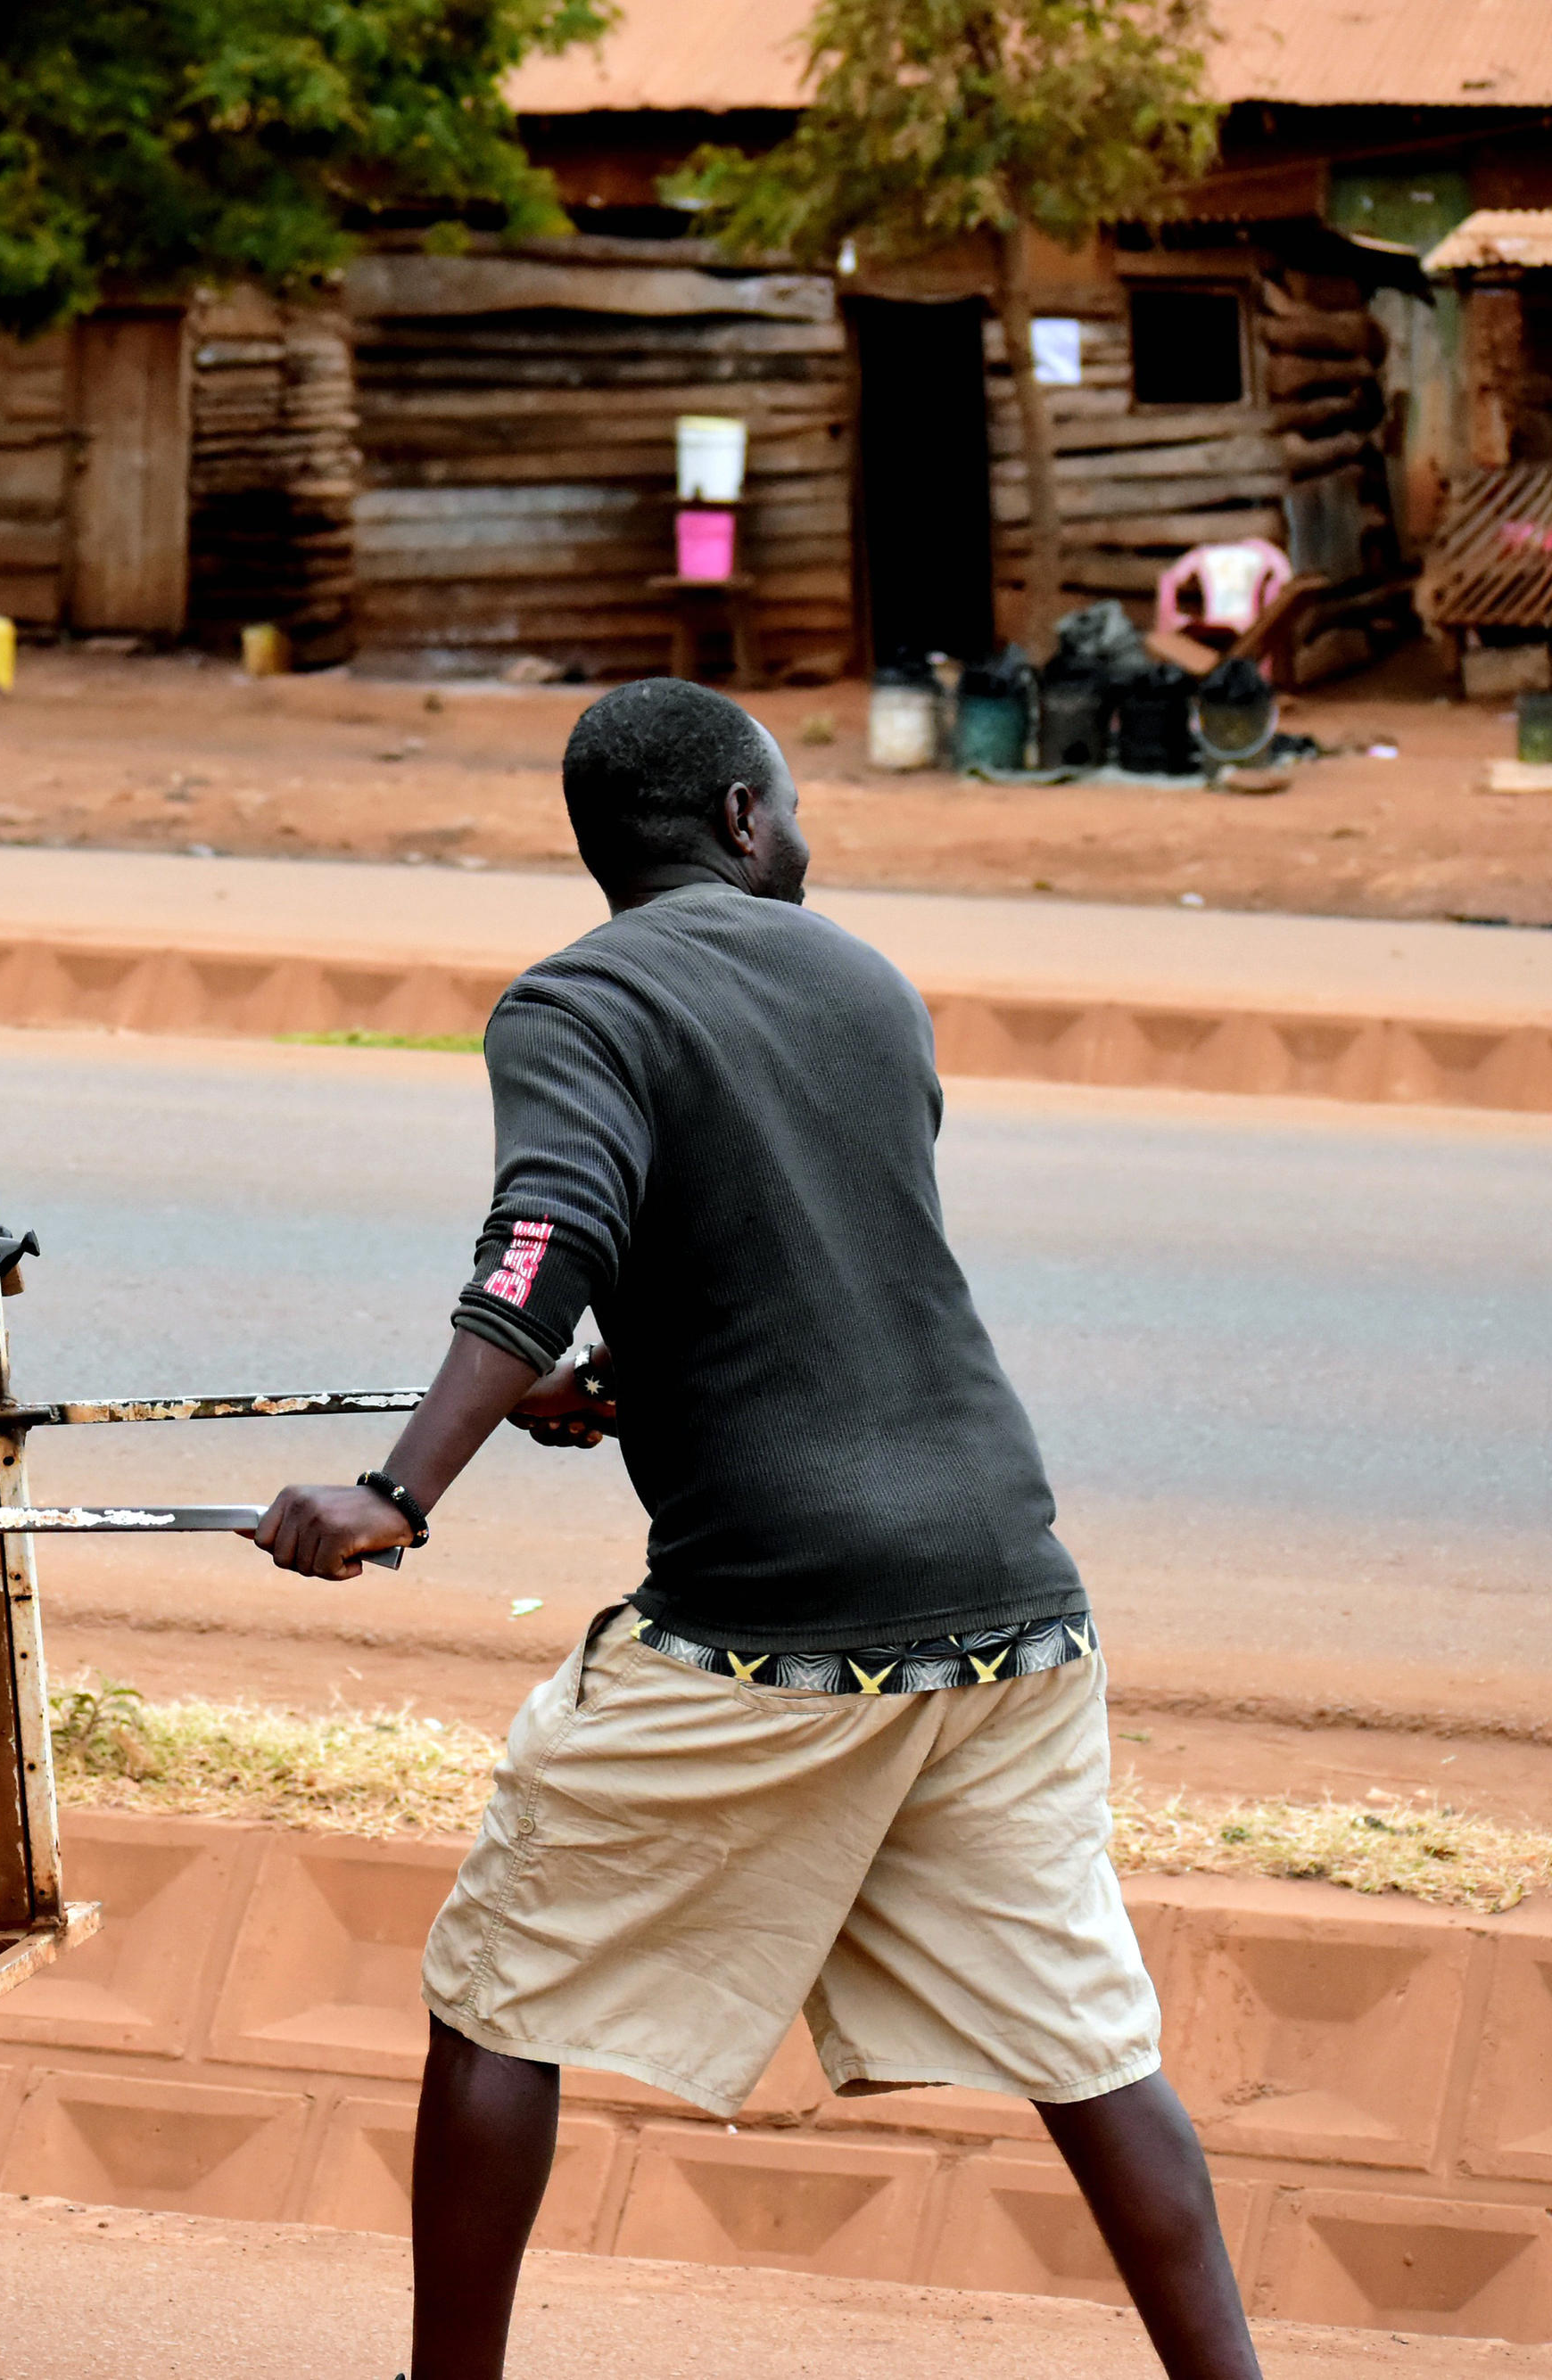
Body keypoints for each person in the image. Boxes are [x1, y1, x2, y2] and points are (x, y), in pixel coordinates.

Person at [253, 678, 1260, 2380]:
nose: (803, 831)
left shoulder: (574, 1000)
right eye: (789, 803)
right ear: (738, 816)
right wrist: (620, 1375)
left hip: (779, 1620)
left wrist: (401, 1489)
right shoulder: (867, 981)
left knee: (498, 1991)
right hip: (1016, 1603)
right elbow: (799, 1250)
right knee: (1096, 2045)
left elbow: (544, 1234)